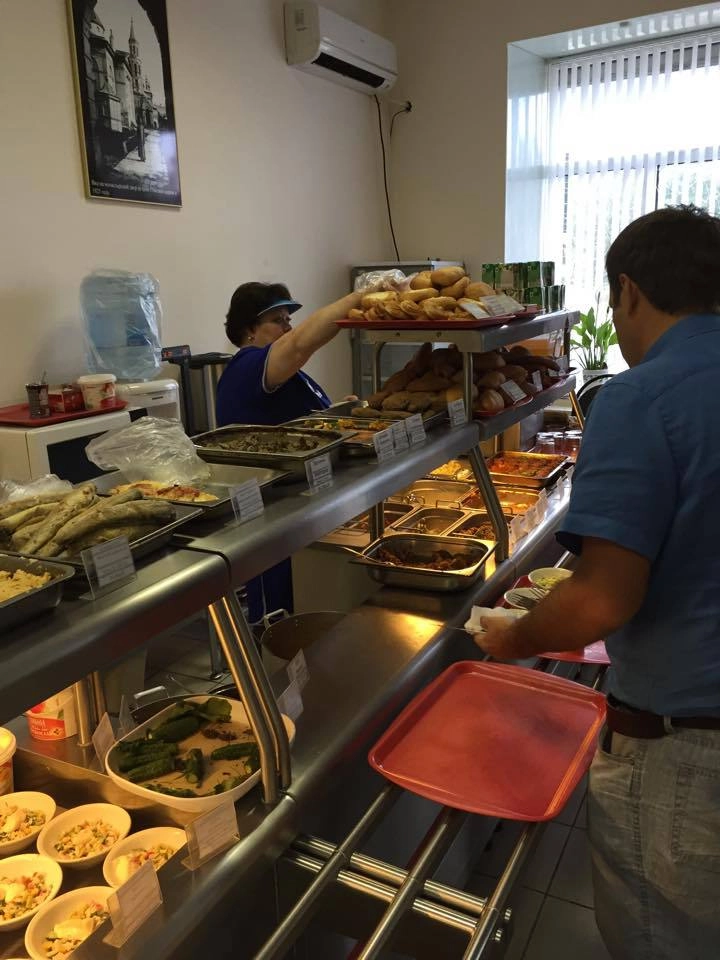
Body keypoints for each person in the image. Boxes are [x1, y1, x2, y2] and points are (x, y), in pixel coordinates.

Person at [472, 205, 720, 960]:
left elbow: (604, 598)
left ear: (629, 292)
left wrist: (513, 636)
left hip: (687, 749)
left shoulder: (643, 396)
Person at [216, 281, 361, 625]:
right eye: (277, 320)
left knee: (306, 605)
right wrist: (361, 297)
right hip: (273, 514)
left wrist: (339, 412)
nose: (288, 327)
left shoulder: (286, 373)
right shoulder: (248, 366)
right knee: (278, 617)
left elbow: (300, 421)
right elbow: (299, 344)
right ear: (249, 330)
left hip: (301, 507)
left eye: (288, 319)